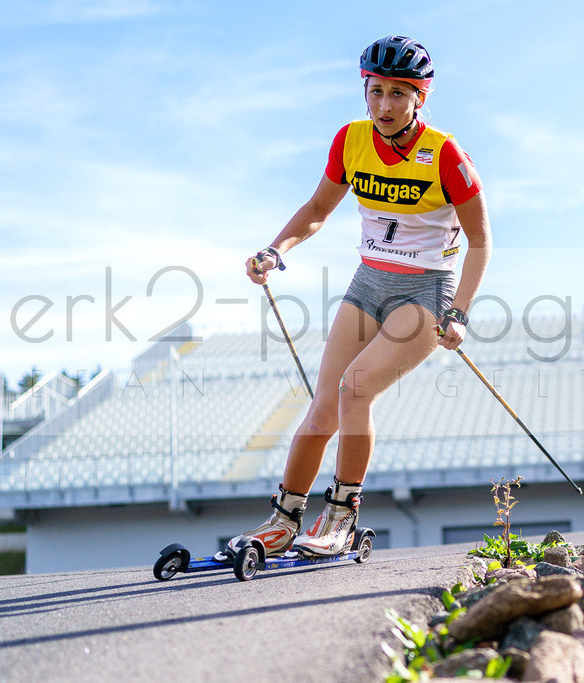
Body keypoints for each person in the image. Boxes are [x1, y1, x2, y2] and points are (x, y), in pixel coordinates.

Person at [218, 35, 491, 562]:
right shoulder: (350, 140)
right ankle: (283, 520)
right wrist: (276, 250)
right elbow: (319, 206)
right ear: (365, 89)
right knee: (322, 409)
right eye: (376, 91)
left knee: (355, 389)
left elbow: (481, 241)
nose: (385, 105)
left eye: (398, 94)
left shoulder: (447, 154)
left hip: (426, 289)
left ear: (420, 99)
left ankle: (342, 516)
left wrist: (459, 313)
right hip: (368, 281)